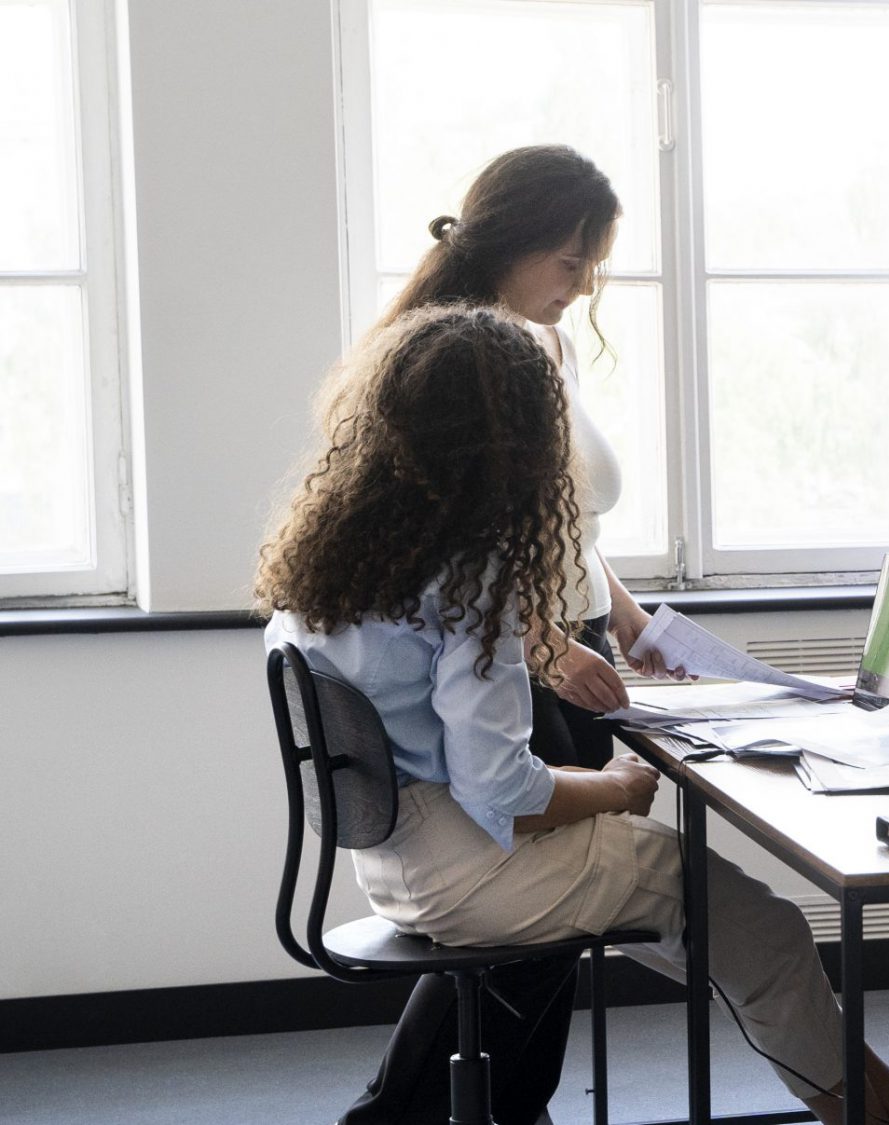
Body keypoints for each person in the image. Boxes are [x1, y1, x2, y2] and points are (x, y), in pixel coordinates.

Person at [258, 305, 889, 1125]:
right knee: (766, 931)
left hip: (391, 866)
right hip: (477, 871)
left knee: (724, 930)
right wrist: (615, 785)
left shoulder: (335, 564)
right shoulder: (473, 574)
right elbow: (504, 791)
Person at [312, 144, 672, 1125]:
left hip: (564, 636)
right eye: (569, 261)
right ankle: (430, 1112)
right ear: (511, 245)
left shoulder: (533, 342)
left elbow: (562, 521)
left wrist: (625, 610)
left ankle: (489, 1110)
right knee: (527, 924)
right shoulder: (469, 359)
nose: (583, 284)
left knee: (538, 935)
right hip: (523, 655)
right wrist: (545, 643)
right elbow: (460, 539)